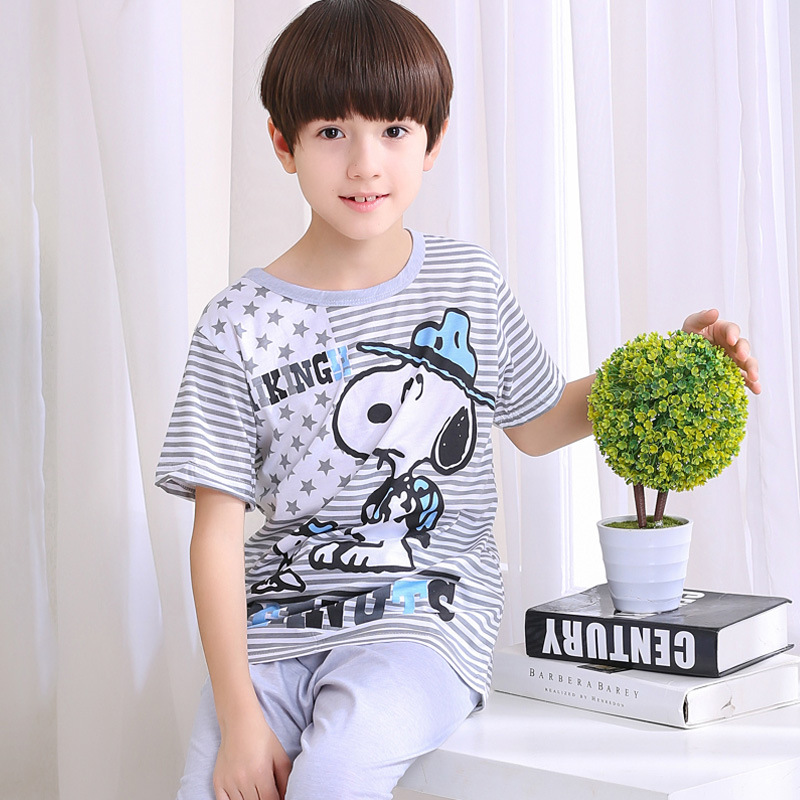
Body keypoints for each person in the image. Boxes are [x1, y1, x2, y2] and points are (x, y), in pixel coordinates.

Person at [156, 1, 761, 798]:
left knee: (333, 774)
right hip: (274, 629)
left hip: (424, 620)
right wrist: (238, 717)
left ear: (433, 141)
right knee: (210, 784)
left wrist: (672, 364)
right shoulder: (236, 324)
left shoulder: (466, 281)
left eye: (394, 130)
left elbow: (539, 423)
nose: (365, 164)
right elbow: (215, 532)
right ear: (282, 142)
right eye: (332, 131)